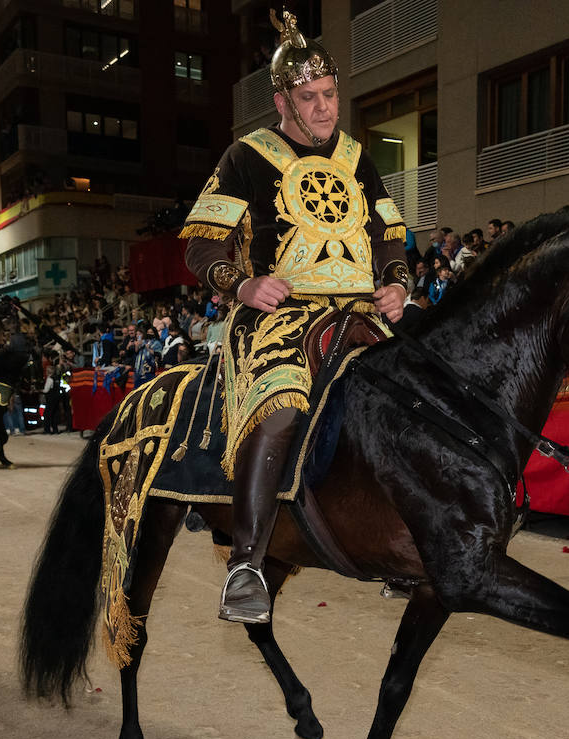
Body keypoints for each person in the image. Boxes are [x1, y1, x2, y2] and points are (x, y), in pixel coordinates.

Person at [180, 11, 409, 624]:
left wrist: (397, 283)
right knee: (281, 407)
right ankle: (247, 565)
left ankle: (411, 538)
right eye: (309, 98)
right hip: (284, 316)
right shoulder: (246, 156)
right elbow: (201, 244)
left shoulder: (357, 157)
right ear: (282, 101)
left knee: (422, 388)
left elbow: (389, 234)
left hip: (362, 313)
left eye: (330, 94)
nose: (325, 108)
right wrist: (242, 283)